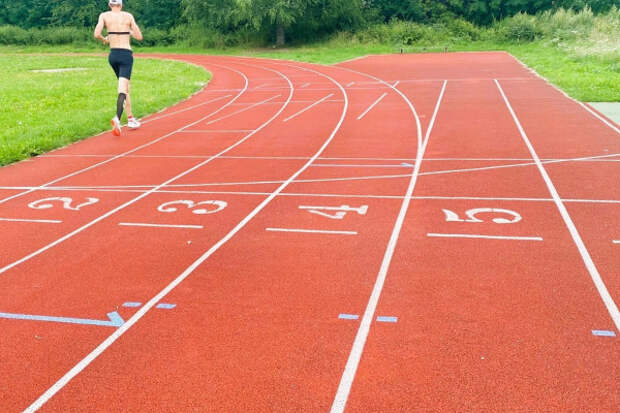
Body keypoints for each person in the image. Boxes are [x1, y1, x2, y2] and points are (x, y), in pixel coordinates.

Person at [94, 0, 143, 136]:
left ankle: (131, 118)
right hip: (125, 55)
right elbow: (139, 37)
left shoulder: (104, 15)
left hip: (113, 55)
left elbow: (96, 34)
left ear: (109, 4)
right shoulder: (128, 16)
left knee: (126, 88)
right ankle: (117, 118)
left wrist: (105, 39)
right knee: (122, 89)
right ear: (121, 4)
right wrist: (130, 32)